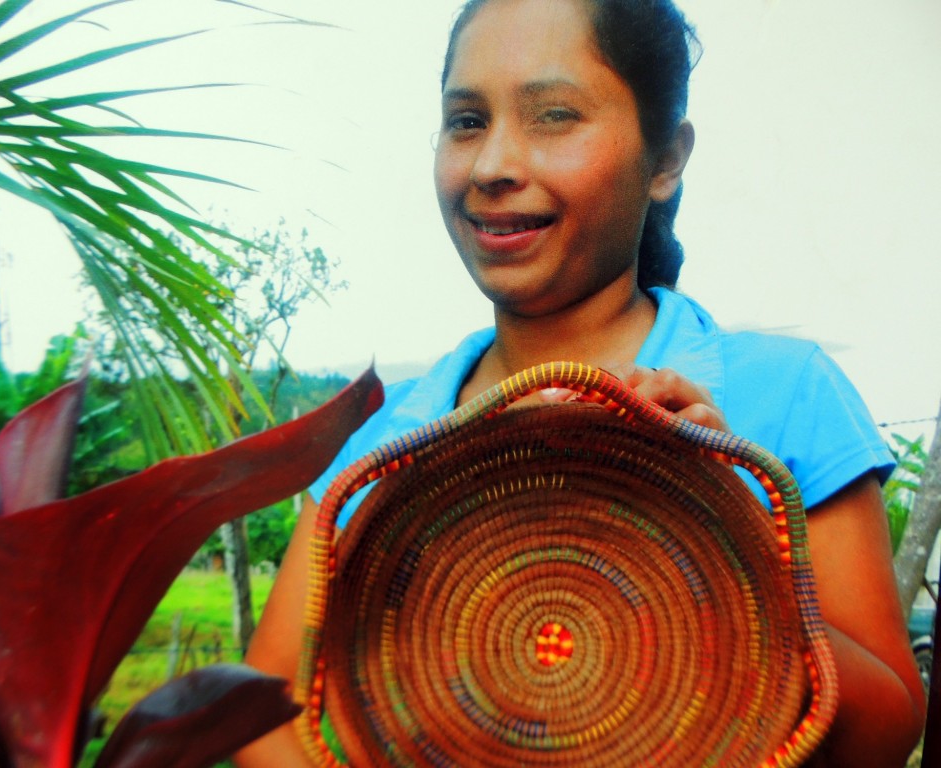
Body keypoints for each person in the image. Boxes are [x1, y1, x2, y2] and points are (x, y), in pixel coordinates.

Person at [235, 0, 927, 765]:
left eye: (554, 115)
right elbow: (267, 720)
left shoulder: (785, 393)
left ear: (664, 158)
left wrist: (734, 538)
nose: (494, 163)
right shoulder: (375, 444)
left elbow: (888, 731)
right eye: (466, 120)